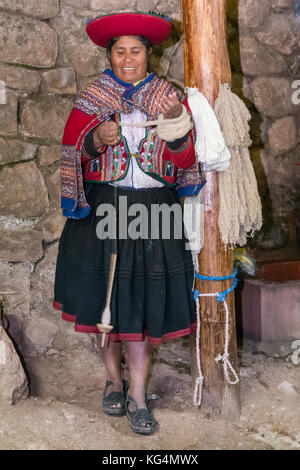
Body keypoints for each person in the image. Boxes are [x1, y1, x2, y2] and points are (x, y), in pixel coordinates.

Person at [52, 11, 204, 436]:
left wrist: (176, 128)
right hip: (104, 210)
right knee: (105, 303)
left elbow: (187, 160)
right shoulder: (93, 97)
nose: (128, 58)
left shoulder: (168, 97)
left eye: (135, 50)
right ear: (110, 55)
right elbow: (72, 151)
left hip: (153, 212)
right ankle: (113, 383)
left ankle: (137, 394)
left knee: (138, 303)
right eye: (120, 51)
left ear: (148, 54)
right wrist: (95, 140)